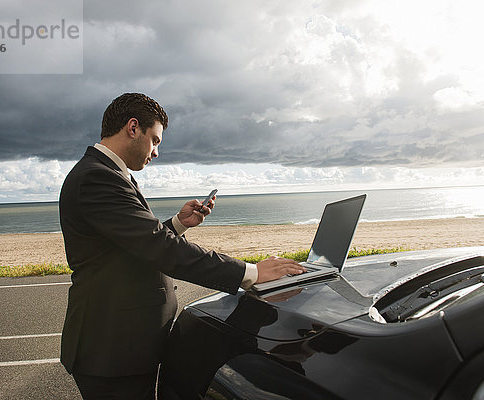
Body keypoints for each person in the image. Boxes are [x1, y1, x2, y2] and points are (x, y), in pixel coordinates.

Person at [59, 93, 306, 399]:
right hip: (112, 350)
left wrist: (178, 223)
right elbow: (160, 248)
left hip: (123, 346)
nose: (156, 152)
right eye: (156, 140)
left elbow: (130, 247)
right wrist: (251, 273)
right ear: (133, 127)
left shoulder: (106, 174)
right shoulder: (98, 177)